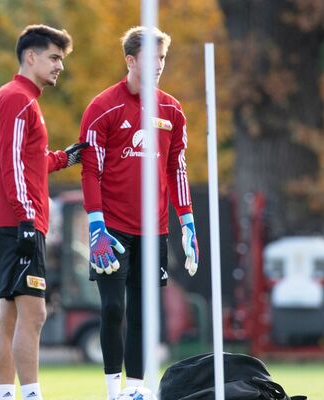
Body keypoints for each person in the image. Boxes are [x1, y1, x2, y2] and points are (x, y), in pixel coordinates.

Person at [77, 26, 199, 400]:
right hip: (111, 230)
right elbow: (90, 171)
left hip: (154, 230)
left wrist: (187, 222)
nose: (159, 65)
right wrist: (95, 225)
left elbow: (177, 168)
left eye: (163, 57)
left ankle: (135, 390)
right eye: (151, 58)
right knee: (114, 307)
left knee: (144, 313)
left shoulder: (172, 110)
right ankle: (112, 391)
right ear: (131, 60)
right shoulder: (102, 107)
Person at [0, 24, 82, 400]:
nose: (59, 66)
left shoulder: (17, 98)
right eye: (54, 58)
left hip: (9, 221)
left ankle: (6, 394)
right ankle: (31, 394)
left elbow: (30, 160)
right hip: (17, 221)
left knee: (9, 316)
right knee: (34, 314)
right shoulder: (19, 99)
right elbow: (13, 166)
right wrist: (26, 218)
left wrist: (65, 158)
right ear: (31, 56)